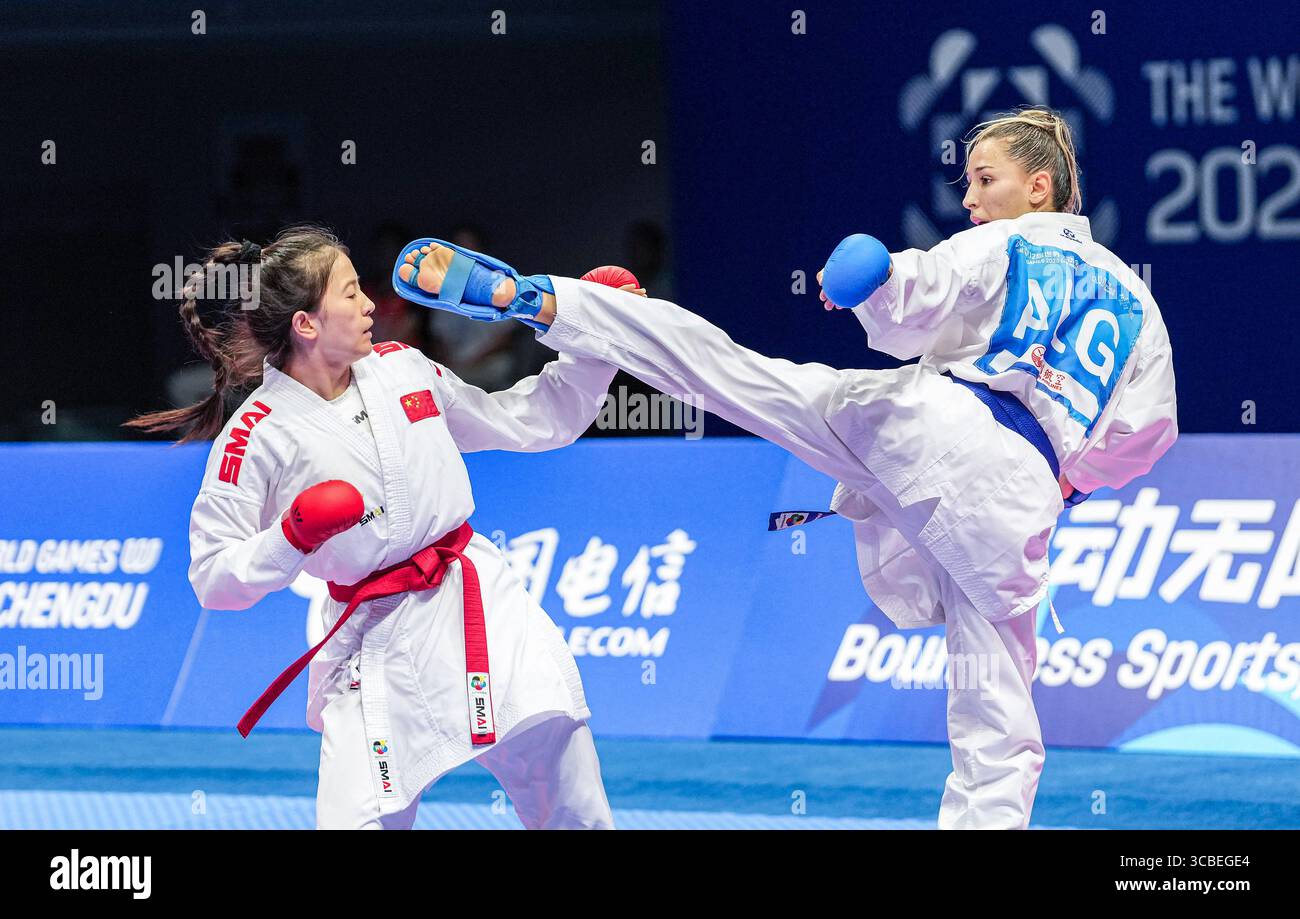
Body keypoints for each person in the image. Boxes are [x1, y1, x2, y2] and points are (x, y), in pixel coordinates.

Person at [393, 108, 1179, 830]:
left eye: (984, 179)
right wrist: (1074, 477)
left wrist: (879, 281)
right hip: (1021, 495)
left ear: (1039, 187)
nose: (970, 198)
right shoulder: (1139, 302)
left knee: (735, 375)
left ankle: (548, 302)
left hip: (931, 429)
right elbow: (1150, 431)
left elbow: (921, 291)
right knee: (998, 720)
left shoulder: (1013, 239)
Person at [125, 225, 621, 830]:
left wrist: (594, 347)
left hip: (478, 608)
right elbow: (213, 579)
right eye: (352, 292)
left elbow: (532, 421)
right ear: (306, 324)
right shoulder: (255, 435)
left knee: (573, 796)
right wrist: (292, 536)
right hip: (372, 637)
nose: (371, 305)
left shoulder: (404, 370)